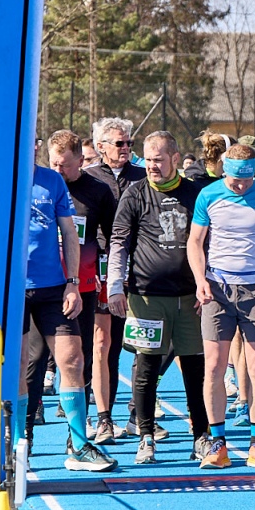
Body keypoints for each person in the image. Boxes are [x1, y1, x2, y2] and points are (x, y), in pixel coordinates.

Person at [107, 131, 211, 464]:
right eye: (148, 159)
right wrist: (114, 286)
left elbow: (210, 243)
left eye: (159, 159)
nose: (152, 165)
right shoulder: (135, 194)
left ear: (175, 159)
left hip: (189, 298)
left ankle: (201, 437)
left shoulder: (196, 194)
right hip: (146, 297)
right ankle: (146, 436)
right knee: (146, 367)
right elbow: (119, 242)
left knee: (195, 368)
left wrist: (205, 283)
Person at [187, 143, 255, 469]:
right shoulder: (208, 194)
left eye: (246, 179)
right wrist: (199, 279)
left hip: (254, 289)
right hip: (216, 289)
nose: (241, 186)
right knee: (215, 367)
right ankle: (218, 444)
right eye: (235, 180)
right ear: (223, 170)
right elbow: (195, 242)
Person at [19, 144, 114, 471]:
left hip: (54, 288)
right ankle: (19, 446)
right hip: (14, 290)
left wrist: (72, 282)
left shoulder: (52, 182)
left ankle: (78, 444)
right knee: (21, 366)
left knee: (73, 358)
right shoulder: (1, 178)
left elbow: (70, 234)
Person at [45, 129, 118, 441]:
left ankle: (82, 420)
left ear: (81, 161)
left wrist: (103, 265)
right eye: (54, 164)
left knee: (83, 352)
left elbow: (113, 234)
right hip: (45, 281)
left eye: (65, 165)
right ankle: (30, 421)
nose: (59, 171)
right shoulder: (39, 187)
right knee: (36, 358)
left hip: (83, 284)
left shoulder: (97, 191)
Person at [85, 118, 148, 436]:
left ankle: (140, 413)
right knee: (102, 343)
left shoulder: (143, 176)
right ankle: (103, 417)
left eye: (129, 143)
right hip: (102, 268)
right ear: (101, 147)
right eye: (119, 143)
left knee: (145, 343)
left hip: (142, 268)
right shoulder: (89, 179)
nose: (126, 149)